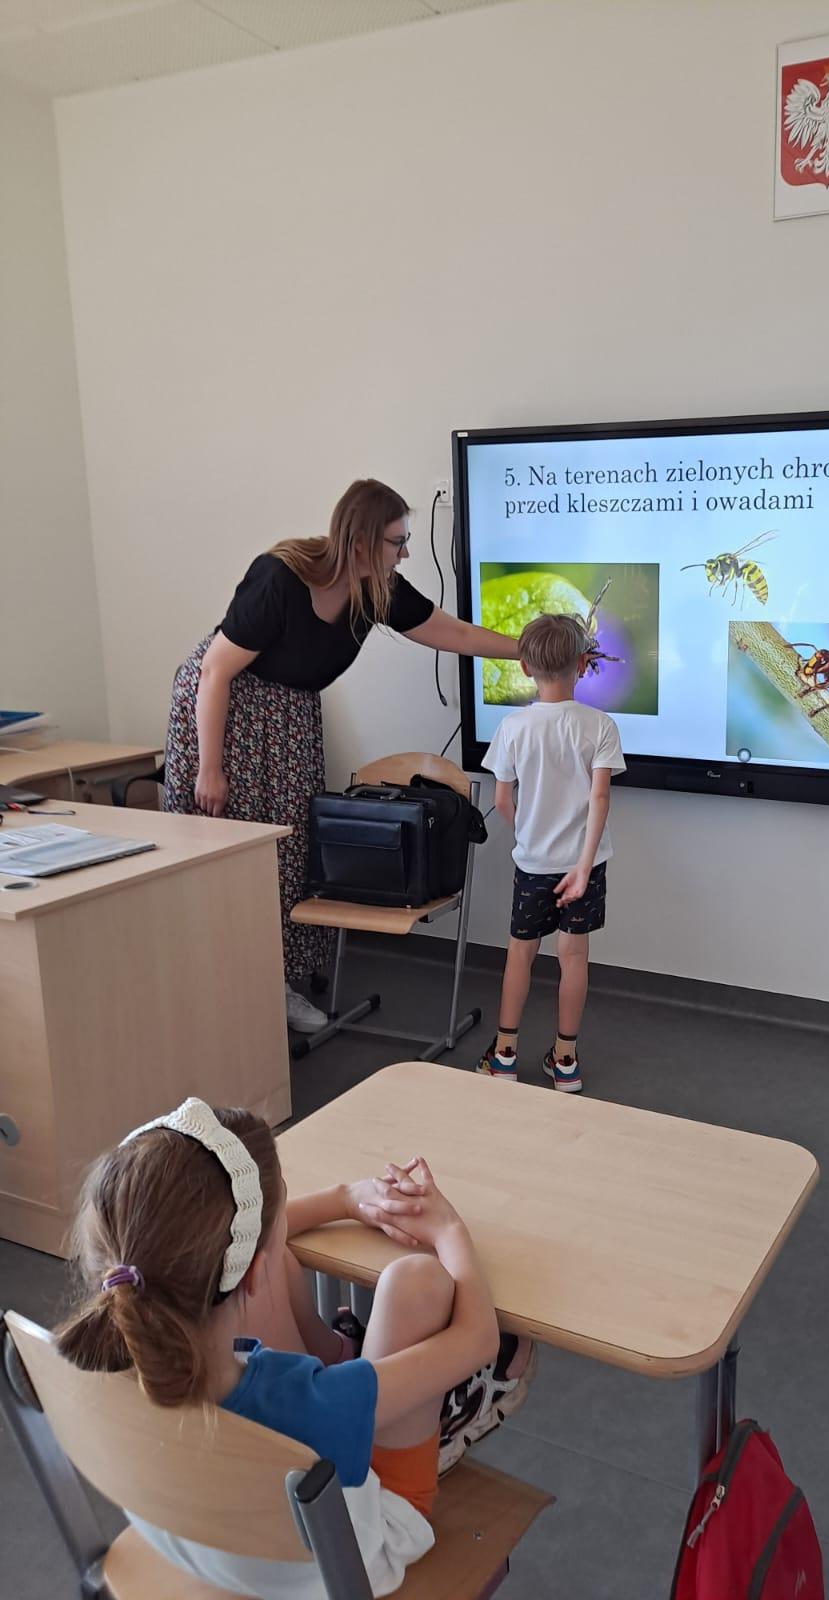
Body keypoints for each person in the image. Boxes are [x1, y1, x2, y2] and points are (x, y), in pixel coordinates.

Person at [55, 1097, 533, 1599]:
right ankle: (433, 1416)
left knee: (279, 1267)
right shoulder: (309, 1403)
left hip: (196, 1543)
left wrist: (344, 1199)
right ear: (249, 1266)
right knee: (419, 1285)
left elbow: (244, 1254)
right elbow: (478, 1337)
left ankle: (347, 1354)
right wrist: (448, 1229)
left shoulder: (102, 1358)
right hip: (348, 1559)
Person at [162, 479, 520, 1035]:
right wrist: (210, 768)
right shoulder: (280, 577)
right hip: (227, 712)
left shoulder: (378, 589)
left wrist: (525, 650)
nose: (405, 553)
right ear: (359, 543)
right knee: (224, 850)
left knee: (289, 851)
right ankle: (215, 985)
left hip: (289, 720)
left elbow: (453, 634)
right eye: (397, 542)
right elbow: (214, 671)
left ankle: (276, 984)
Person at [476, 612, 625, 1093]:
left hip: (533, 865)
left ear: (524, 667)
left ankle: (504, 1055)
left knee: (520, 954)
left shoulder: (513, 726)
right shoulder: (600, 725)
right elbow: (599, 798)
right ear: (582, 665)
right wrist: (582, 865)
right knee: (574, 956)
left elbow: (502, 800)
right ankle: (565, 1061)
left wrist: (528, 834)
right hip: (585, 866)